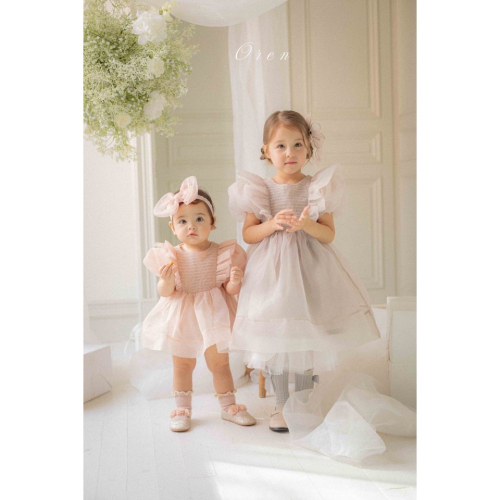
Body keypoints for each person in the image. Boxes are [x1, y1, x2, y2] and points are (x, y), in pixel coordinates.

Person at [228, 110, 380, 432]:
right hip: (272, 276)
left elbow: (328, 234)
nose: (290, 152)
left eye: (298, 144)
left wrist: (307, 224)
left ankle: (304, 401)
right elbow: (249, 234)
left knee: (306, 338)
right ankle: (281, 404)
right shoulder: (260, 189)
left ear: (309, 148)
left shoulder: (316, 187)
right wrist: (272, 224)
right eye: (280, 146)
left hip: (310, 271)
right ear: (266, 151)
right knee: (278, 340)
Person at [142, 176, 256, 432]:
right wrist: (166, 281)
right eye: (182, 221)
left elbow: (229, 290)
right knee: (182, 364)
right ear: (173, 227)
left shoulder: (223, 253)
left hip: (213, 315)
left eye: (199, 219)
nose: (191, 226)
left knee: (219, 364)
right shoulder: (171, 256)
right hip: (183, 316)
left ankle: (229, 406)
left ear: (213, 223)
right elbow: (165, 293)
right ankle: (182, 409)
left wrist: (235, 281)